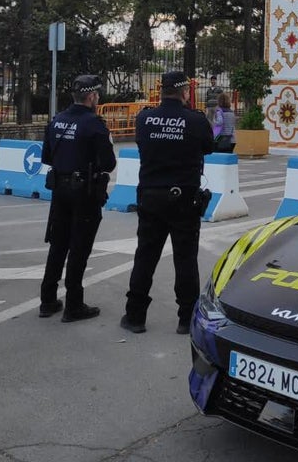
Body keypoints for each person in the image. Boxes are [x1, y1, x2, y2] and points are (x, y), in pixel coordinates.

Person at [122, 70, 216, 335]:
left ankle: (134, 316)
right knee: (185, 259)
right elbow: (209, 147)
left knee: (145, 256)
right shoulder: (195, 120)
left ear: (162, 91)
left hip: (151, 197)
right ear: (185, 92)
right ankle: (186, 318)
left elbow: (142, 144)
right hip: (183, 199)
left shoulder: (144, 118)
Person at [38, 74, 116, 323]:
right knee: (79, 248)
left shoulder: (57, 120)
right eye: (97, 95)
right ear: (92, 96)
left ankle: (47, 301)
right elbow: (108, 163)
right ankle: (74, 305)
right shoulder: (94, 124)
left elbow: (47, 157)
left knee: (58, 245)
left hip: (59, 190)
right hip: (84, 193)